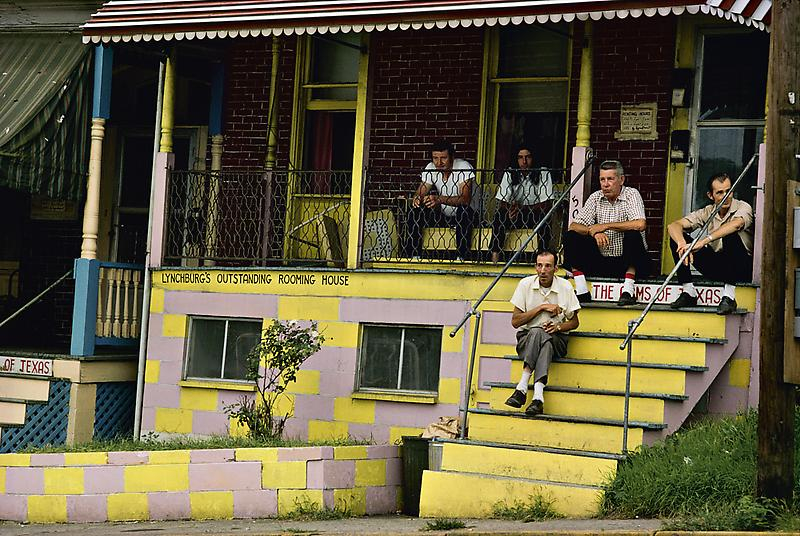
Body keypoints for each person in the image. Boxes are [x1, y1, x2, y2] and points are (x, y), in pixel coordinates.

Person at [504, 248, 580, 415]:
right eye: (539, 265)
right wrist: (541, 308)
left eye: (548, 266)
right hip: (527, 340)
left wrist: (557, 327)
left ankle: (522, 387)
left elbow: (575, 322)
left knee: (543, 335)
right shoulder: (525, 284)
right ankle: (538, 397)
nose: (543, 270)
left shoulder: (565, 286)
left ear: (556, 268)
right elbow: (515, 322)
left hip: (558, 339)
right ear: (535, 267)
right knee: (542, 338)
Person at [563, 160, 650, 306]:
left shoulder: (631, 194)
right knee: (571, 236)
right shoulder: (595, 197)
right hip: (601, 261)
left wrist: (605, 226)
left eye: (610, 179)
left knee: (633, 234)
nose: (605, 184)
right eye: (602, 179)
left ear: (621, 180)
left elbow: (640, 224)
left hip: (629, 263)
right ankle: (582, 289)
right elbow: (574, 225)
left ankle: (628, 291)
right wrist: (593, 232)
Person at [667, 172, 753, 315]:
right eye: (720, 192)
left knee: (729, 234)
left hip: (742, 267)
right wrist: (682, 244)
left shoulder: (743, 207)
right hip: (720, 266)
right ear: (710, 195)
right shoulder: (708, 211)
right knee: (676, 238)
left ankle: (729, 297)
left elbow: (736, 224)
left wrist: (703, 241)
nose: (726, 196)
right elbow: (673, 226)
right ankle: (689, 292)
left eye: (729, 191)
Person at [407, 140, 475, 260]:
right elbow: (420, 192)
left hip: (470, 216)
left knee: (463, 211)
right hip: (444, 216)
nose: (439, 163)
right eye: (435, 158)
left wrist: (439, 199)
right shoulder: (430, 167)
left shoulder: (463, 166)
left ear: (452, 157)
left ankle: (462, 259)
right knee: (415, 211)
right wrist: (417, 199)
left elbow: (465, 200)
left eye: (444, 158)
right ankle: (414, 256)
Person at [490, 145, 555, 263]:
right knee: (500, 215)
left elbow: (546, 204)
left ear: (533, 158)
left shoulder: (543, 172)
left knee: (544, 218)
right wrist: (511, 209)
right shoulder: (510, 173)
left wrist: (523, 208)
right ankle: (494, 258)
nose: (524, 162)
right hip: (515, 215)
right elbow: (503, 202)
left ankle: (542, 259)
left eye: (528, 157)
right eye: (520, 157)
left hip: (534, 215)